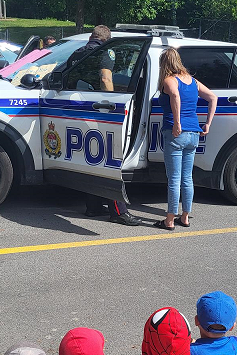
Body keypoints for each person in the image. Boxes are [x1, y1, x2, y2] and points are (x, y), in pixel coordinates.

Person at [68, 25, 140, 226]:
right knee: (109, 161)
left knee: (93, 159)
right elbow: (106, 78)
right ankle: (118, 211)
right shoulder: (104, 52)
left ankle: (93, 206)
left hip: (80, 110)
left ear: (91, 37)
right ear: (107, 40)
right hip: (100, 111)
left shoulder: (77, 53)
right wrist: (112, 103)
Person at [154, 47, 217, 231]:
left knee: (174, 178)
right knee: (187, 178)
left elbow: (174, 95)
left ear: (164, 64)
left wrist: (177, 122)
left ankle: (169, 220)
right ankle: (185, 217)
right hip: (193, 134)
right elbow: (213, 97)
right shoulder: (193, 81)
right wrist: (207, 124)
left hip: (176, 134)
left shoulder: (169, 80)